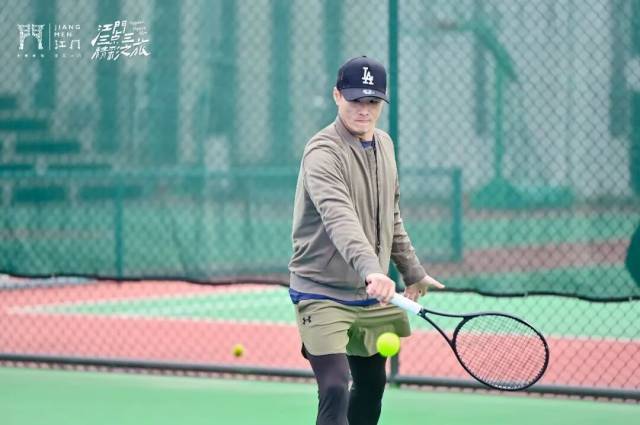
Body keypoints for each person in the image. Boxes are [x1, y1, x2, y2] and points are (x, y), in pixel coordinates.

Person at [288, 56, 445, 425]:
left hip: (371, 293)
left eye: (372, 101)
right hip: (322, 290)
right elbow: (339, 216)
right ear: (336, 96)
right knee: (334, 387)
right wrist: (372, 270)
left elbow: (390, 215)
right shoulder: (322, 152)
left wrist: (412, 271)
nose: (364, 109)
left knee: (372, 384)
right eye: (355, 100)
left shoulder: (385, 145)